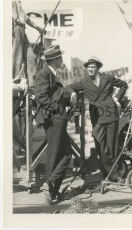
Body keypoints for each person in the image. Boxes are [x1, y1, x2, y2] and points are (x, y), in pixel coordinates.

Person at [68, 57, 128, 183]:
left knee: (112, 146)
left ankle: (109, 174)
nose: (90, 69)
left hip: (111, 114)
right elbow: (69, 87)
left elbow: (123, 85)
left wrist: (116, 98)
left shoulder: (108, 78)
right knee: (100, 145)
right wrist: (73, 94)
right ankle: (113, 174)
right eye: (88, 67)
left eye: (93, 67)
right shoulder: (84, 82)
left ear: (98, 68)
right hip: (97, 118)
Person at [34, 45, 77, 204]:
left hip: (57, 117)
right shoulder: (44, 73)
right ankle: (50, 187)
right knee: (55, 154)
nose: (62, 60)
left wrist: (70, 93)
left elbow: (56, 94)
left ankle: (52, 188)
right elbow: (41, 97)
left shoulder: (52, 73)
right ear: (54, 59)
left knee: (65, 154)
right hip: (53, 118)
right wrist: (57, 110)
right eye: (60, 57)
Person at [12, 1, 46, 79]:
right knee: (16, 60)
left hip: (23, 31)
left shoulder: (19, 5)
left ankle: (31, 86)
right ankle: (13, 85)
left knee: (31, 57)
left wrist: (39, 29)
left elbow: (27, 20)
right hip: (15, 30)